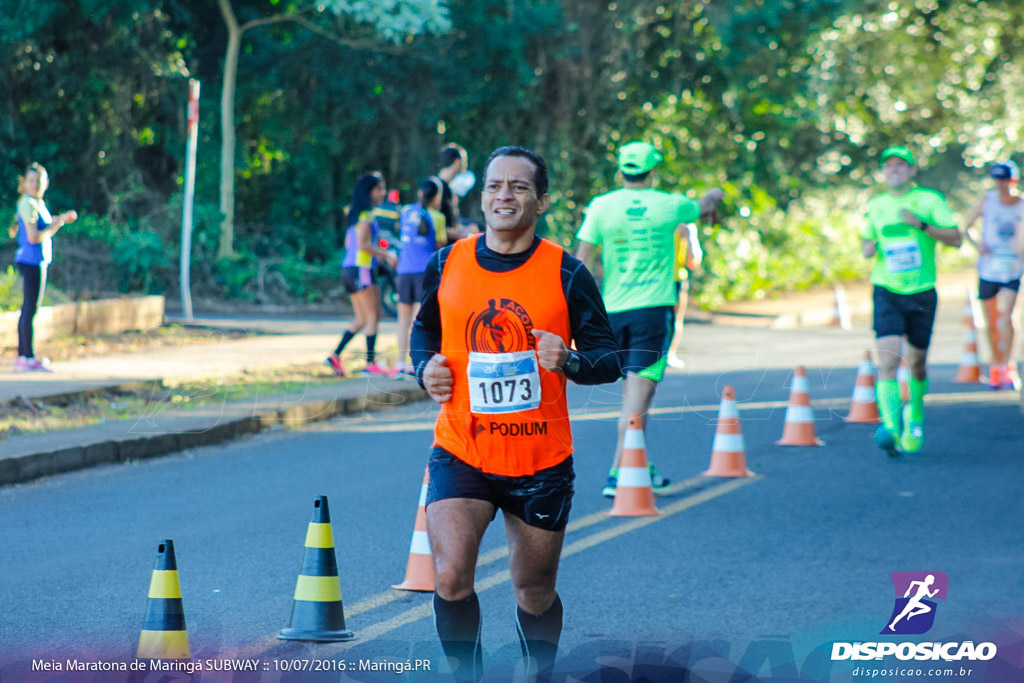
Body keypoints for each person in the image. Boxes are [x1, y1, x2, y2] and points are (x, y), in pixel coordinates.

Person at [411, 146, 621, 680]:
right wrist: (425, 368)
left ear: (542, 201)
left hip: (540, 460)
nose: (504, 195)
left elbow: (609, 360)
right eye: (494, 186)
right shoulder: (447, 261)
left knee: (533, 589)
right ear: (481, 197)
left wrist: (569, 359)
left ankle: (538, 670)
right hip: (463, 446)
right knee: (451, 575)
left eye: (519, 187)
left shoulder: (567, 273)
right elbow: (423, 333)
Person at [574, 141, 722, 497]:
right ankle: (617, 471)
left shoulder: (601, 206)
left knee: (634, 396)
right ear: (653, 172)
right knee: (639, 398)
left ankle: (639, 463)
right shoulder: (670, 205)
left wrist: (582, 313)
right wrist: (716, 194)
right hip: (653, 318)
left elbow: (580, 262)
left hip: (612, 316)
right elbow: (704, 206)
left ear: (621, 170)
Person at [862, 146, 962, 455]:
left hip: (921, 291)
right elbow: (867, 242)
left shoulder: (929, 201)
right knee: (889, 361)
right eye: (889, 165)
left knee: (916, 364)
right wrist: (869, 247)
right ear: (883, 171)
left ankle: (914, 412)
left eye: (901, 166)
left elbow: (955, 238)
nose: (894, 170)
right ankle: (892, 427)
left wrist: (920, 224)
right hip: (886, 290)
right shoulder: (876, 205)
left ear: (911, 171)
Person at [325, 172, 398, 376]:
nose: (383, 193)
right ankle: (370, 363)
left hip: (349, 269)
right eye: (379, 189)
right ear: (369, 192)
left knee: (362, 318)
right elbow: (363, 245)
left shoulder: (354, 216)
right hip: (361, 270)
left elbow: (351, 244)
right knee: (374, 316)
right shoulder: (366, 216)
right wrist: (387, 254)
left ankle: (335, 355)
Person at [10, 162, 77, 372]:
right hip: (30, 261)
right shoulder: (29, 203)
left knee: (31, 309)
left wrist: (60, 220)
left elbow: (43, 229)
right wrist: (57, 224)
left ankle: (27, 356)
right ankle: (25, 357)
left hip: (37, 261)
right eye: (31, 180)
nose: (35, 184)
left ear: (45, 183)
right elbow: (33, 237)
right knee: (29, 309)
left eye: (38, 180)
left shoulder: (38, 203)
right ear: (25, 183)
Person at [962, 160, 1023, 390]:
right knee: (990, 322)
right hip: (988, 269)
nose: (1000, 184)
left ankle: (1008, 365)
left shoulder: (1021, 204)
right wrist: (978, 246)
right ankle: (996, 365)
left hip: (1013, 269)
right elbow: (966, 227)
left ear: (1012, 180)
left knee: (1006, 317)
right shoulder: (987, 201)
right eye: (997, 179)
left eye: (1004, 179)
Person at [392, 177, 447, 377]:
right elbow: (440, 245)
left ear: (420, 193)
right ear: (437, 196)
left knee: (402, 321)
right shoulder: (437, 217)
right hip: (424, 274)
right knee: (418, 322)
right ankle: (414, 364)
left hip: (403, 271)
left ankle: (399, 363)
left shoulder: (406, 211)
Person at [667, 222, 703, 369]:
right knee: (675, 319)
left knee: (674, 318)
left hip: (670, 278)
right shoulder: (684, 227)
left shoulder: (684, 228)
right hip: (671, 279)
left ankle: (667, 354)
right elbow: (694, 259)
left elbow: (693, 260)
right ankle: (667, 354)